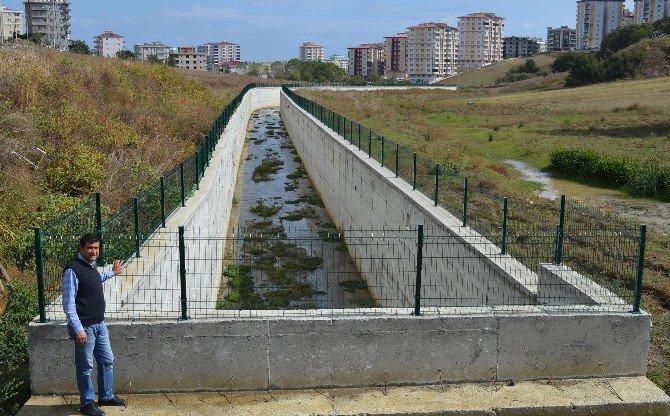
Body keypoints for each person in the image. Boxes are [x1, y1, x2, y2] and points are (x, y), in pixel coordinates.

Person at [62, 233, 127, 416]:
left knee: (107, 360)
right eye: (90, 248)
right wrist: (78, 329)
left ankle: (106, 396)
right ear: (82, 248)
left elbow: (96, 279)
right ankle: (87, 403)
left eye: (96, 248)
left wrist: (112, 273)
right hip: (85, 328)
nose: (94, 251)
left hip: (99, 325)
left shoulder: (90, 267)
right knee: (85, 368)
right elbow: (68, 305)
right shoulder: (72, 270)